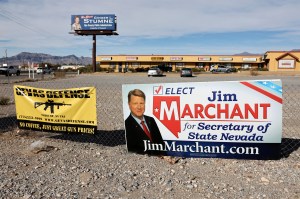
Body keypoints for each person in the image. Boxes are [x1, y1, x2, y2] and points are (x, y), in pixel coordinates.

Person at [125, 89, 165, 155]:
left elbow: (160, 141)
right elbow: (133, 148)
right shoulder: (128, 124)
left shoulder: (151, 120)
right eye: (135, 103)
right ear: (129, 105)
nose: (139, 107)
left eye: (141, 103)